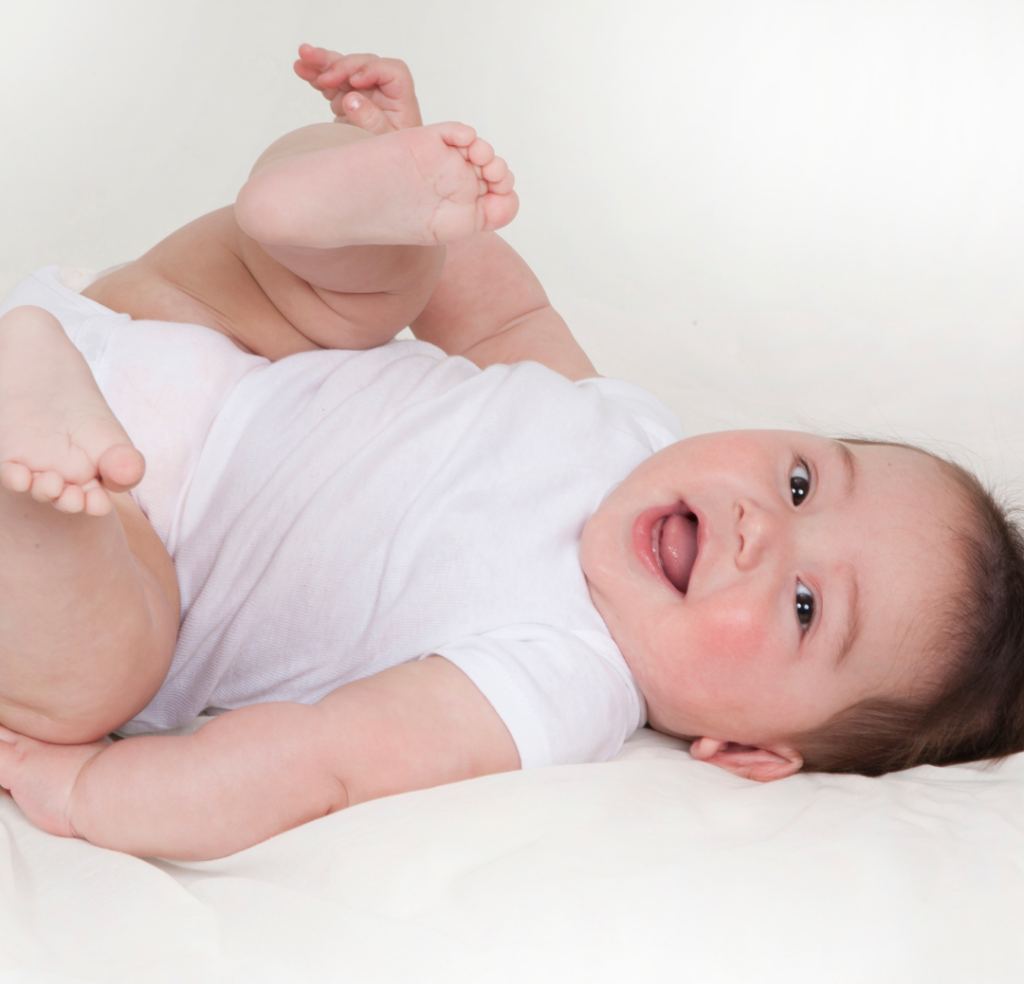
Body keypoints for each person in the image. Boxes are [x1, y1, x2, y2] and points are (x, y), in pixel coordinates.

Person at [0, 47, 1021, 861]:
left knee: (103, 672)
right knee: (358, 290)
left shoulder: (563, 681)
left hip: (131, 531)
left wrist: (92, 788)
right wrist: (427, 200)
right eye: (800, 481)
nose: (763, 525)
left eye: (804, 605)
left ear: (749, 748)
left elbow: (325, 759)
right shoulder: (630, 430)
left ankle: (35, 458)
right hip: (194, 332)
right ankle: (333, 205)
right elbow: (500, 317)